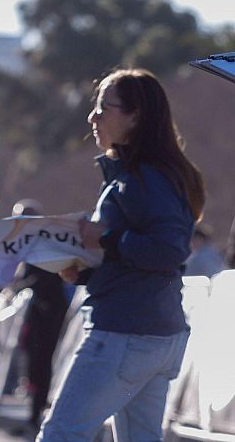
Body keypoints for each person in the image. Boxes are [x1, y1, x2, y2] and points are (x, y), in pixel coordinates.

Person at [39, 68, 205, 442]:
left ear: (136, 116)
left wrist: (108, 239)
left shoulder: (143, 178)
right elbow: (148, 256)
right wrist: (86, 273)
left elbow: (168, 251)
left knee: (61, 436)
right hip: (154, 333)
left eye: (104, 108)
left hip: (123, 333)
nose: (92, 117)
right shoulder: (151, 175)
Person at [8, 198, 69, 437]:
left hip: (49, 311)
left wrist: (19, 285)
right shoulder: (25, 243)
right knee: (32, 365)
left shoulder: (46, 241)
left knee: (42, 365)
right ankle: (32, 416)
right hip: (36, 311)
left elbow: (44, 278)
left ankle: (37, 418)